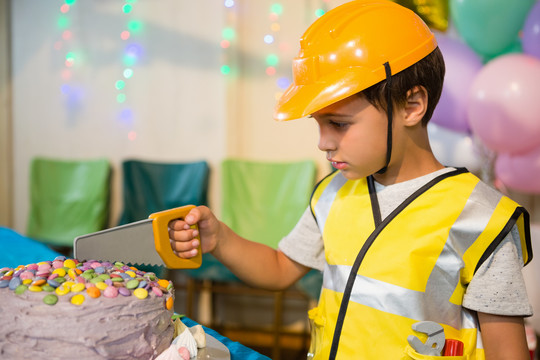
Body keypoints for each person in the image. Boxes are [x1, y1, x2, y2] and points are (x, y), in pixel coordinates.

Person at [169, 1, 533, 358]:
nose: (323, 142)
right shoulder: (332, 195)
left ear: (412, 105)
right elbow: (281, 269)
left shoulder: (481, 219)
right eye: (319, 124)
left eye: (339, 124)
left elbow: (507, 351)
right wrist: (221, 239)